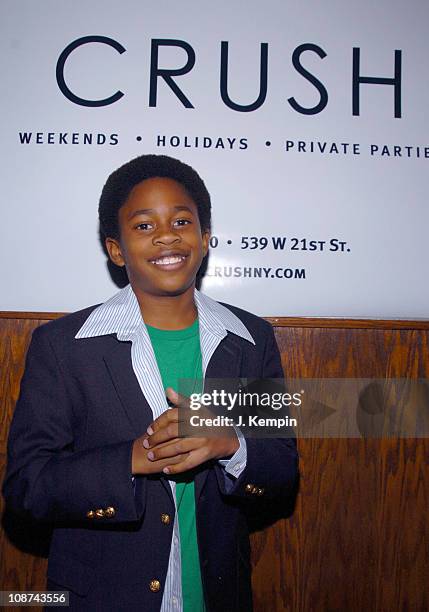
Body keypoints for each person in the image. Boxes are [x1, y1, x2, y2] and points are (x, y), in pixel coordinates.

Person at [3, 154, 298, 611]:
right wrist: (131, 459)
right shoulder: (64, 346)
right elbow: (27, 487)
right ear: (116, 249)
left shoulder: (251, 338)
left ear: (204, 238)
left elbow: (282, 469)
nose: (166, 235)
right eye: (143, 225)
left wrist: (230, 444)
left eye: (182, 220)